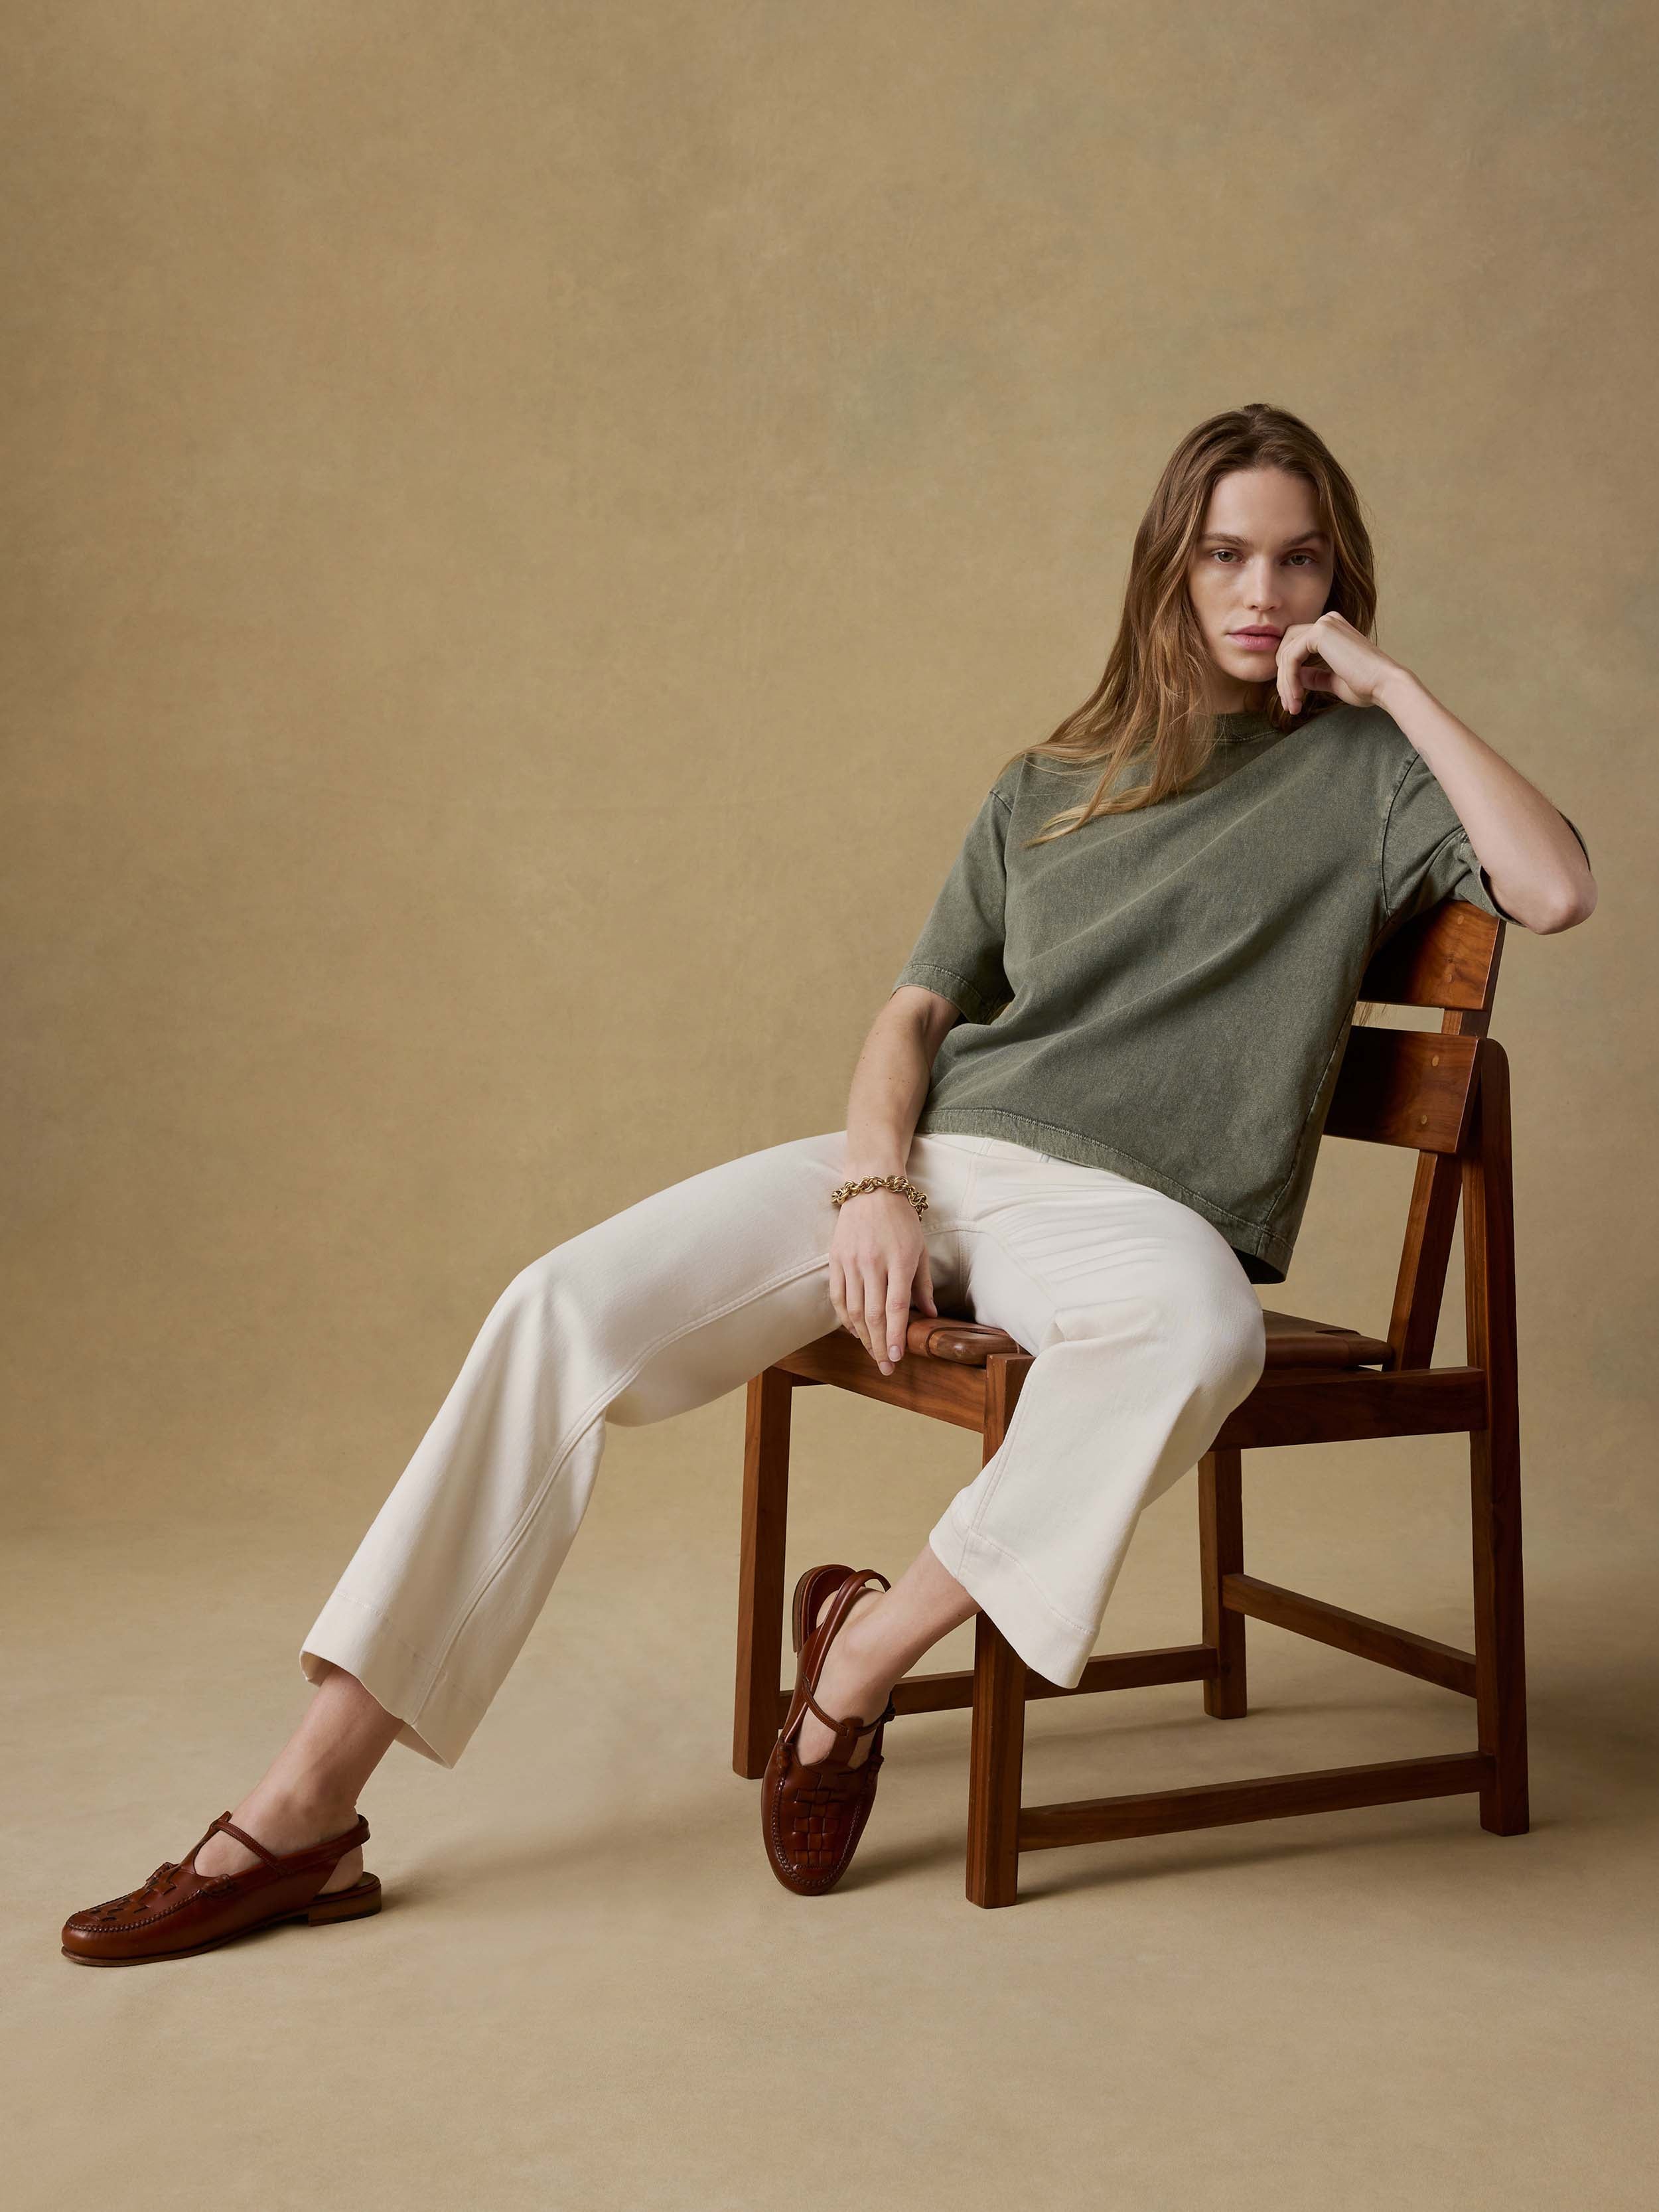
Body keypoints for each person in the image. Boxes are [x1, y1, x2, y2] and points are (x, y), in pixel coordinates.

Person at [60, 402, 1597, 1963]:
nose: (1259, 591)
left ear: (1337, 576)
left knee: (1199, 1334)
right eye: (1223, 555)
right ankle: (306, 1808)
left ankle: (856, 1660)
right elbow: (914, 1012)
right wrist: (872, 1186)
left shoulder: (1370, 773)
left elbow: (1551, 886)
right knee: (559, 1305)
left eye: (1296, 558)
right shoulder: (1045, 782)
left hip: (1127, 1217)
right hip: (925, 1161)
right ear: (1167, 569)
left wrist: (1393, 686)